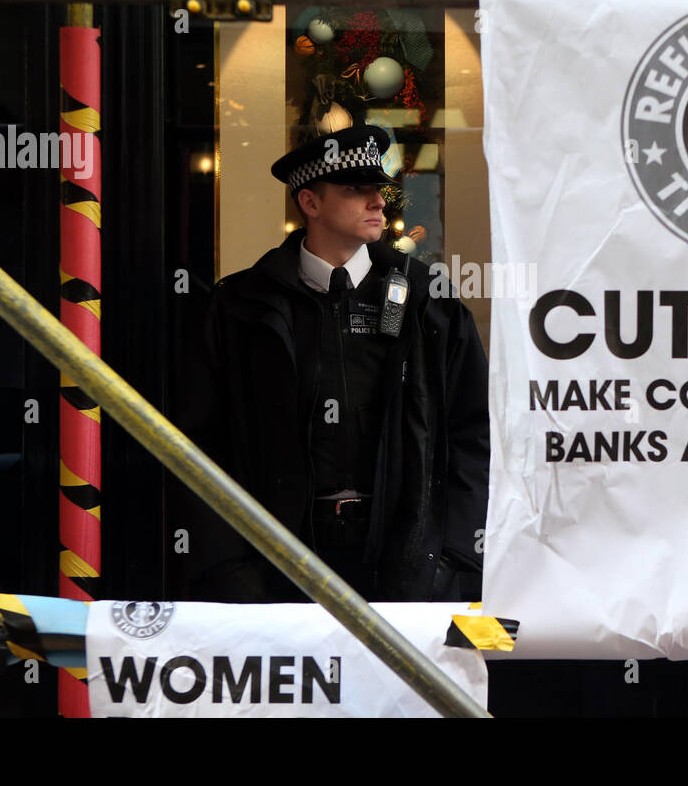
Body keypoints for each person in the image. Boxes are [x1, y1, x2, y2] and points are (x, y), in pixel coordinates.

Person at [174, 125, 489, 605]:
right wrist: (230, 567)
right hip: (276, 572)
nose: (378, 201)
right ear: (310, 203)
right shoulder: (239, 307)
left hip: (407, 572)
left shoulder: (430, 303)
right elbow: (201, 441)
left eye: (377, 188)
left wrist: (451, 557)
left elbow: (474, 434)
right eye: (355, 189)